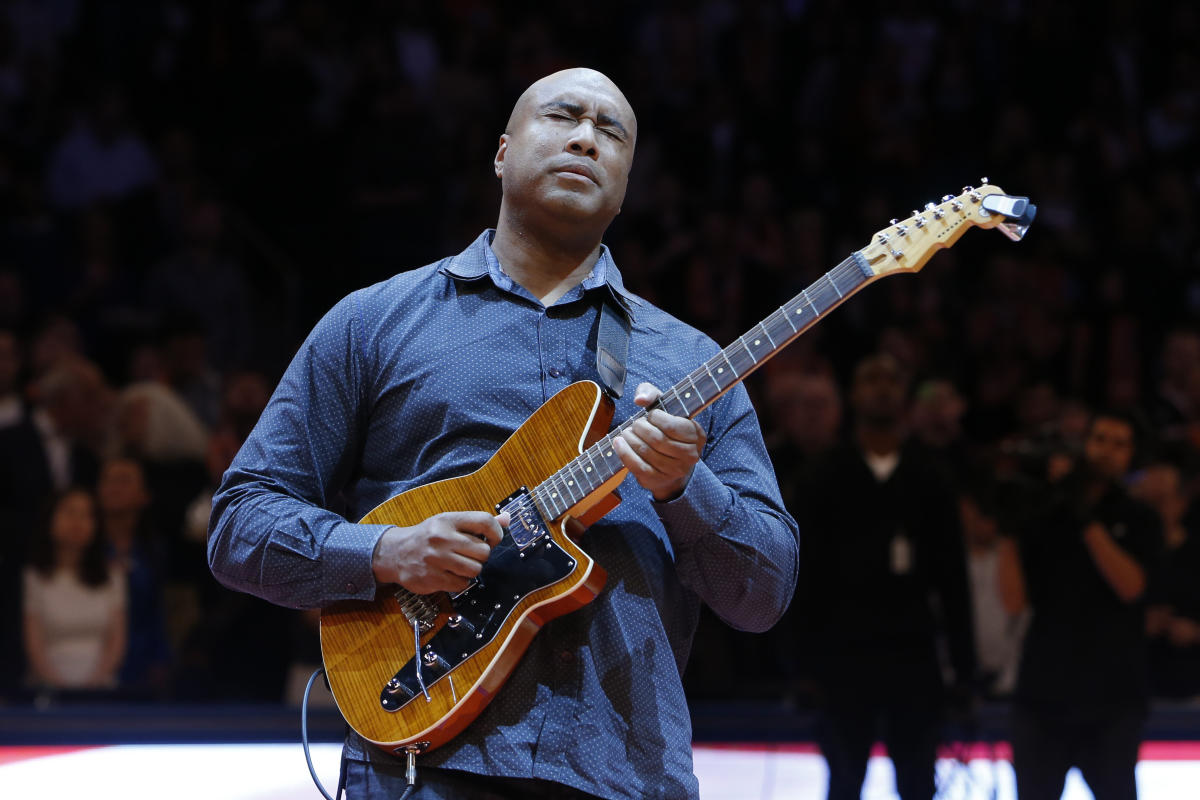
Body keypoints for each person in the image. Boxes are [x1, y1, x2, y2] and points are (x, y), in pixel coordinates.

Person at [207, 67, 799, 800]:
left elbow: (763, 593)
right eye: (563, 116)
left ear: (626, 181)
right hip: (423, 767)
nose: (586, 137)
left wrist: (686, 486)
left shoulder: (689, 365)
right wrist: (387, 552)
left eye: (611, 132)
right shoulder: (373, 322)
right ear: (501, 151)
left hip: (624, 770)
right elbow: (239, 524)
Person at [791, 352, 976, 800]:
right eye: (871, 379)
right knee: (844, 782)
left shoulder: (931, 475)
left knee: (917, 784)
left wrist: (965, 671)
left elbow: (954, 580)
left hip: (913, 657)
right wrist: (800, 666)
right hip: (843, 657)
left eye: (892, 380)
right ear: (853, 395)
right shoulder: (823, 475)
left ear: (905, 395)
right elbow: (802, 577)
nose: (882, 388)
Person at [997, 410, 1161, 800]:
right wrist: (1008, 531)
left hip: (1113, 698)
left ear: (1131, 457)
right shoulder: (1044, 513)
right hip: (1043, 693)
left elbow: (1131, 587)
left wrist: (1084, 518)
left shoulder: (1140, 518)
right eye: (1100, 439)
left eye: (1119, 444)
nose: (1107, 451)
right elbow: (1014, 601)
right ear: (1084, 445)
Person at [22, 487, 127, 690]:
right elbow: (33, 644)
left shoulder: (113, 577)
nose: (77, 522)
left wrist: (93, 685)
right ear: (50, 519)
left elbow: (116, 642)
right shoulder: (33, 577)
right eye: (70, 512)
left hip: (101, 688)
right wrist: (59, 688)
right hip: (46, 690)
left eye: (86, 515)